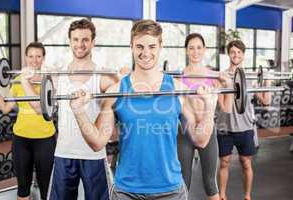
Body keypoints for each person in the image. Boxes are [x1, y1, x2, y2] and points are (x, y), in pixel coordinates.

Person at [70, 19, 218, 200]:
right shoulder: (116, 91)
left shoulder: (178, 90)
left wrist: (209, 106)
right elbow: (97, 142)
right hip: (126, 191)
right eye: (139, 46)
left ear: (160, 46)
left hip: (171, 191)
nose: (146, 53)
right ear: (131, 46)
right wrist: (78, 111)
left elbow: (200, 139)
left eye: (152, 46)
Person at [23, 19, 118, 200]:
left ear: (93, 42)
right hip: (64, 153)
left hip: (94, 155)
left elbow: (123, 92)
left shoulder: (103, 77)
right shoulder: (58, 77)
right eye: (75, 39)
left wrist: (121, 76)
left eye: (85, 40)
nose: (80, 44)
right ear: (69, 41)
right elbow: (38, 108)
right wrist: (25, 80)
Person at [0, 42, 56, 200]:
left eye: (38, 56)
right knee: (23, 188)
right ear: (25, 57)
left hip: (45, 139)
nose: (34, 60)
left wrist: (25, 81)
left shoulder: (48, 80)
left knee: (46, 187)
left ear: (43, 58)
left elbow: (38, 108)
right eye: (30, 56)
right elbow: (6, 108)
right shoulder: (17, 81)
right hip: (21, 139)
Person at [177, 33, 233, 200]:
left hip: (207, 130)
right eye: (191, 48)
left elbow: (227, 107)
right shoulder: (178, 77)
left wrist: (228, 85)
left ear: (204, 50)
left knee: (210, 183)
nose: (195, 52)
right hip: (185, 132)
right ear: (186, 51)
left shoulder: (214, 76)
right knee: (183, 182)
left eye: (199, 48)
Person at [216, 40, 272, 200]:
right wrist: (227, 84)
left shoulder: (250, 77)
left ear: (243, 55)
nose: (236, 55)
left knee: (246, 163)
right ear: (229, 54)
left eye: (239, 52)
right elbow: (222, 105)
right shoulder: (221, 77)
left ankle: (247, 196)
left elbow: (266, 101)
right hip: (225, 127)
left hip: (245, 126)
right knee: (224, 163)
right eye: (233, 52)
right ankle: (222, 195)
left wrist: (266, 81)